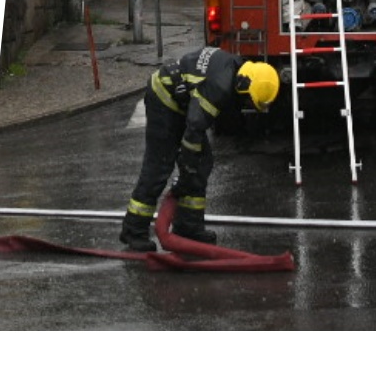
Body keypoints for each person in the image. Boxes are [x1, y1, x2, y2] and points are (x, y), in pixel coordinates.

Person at [118, 45, 281, 249]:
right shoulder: (219, 86)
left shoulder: (239, 68)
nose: (247, 103)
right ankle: (134, 230)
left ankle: (188, 226)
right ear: (243, 85)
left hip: (183, 100)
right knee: (160, 164)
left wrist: (191, 169)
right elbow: (194, 130)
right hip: (164, 98)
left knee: (202, 162)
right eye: (248, 99)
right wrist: (187, 166)